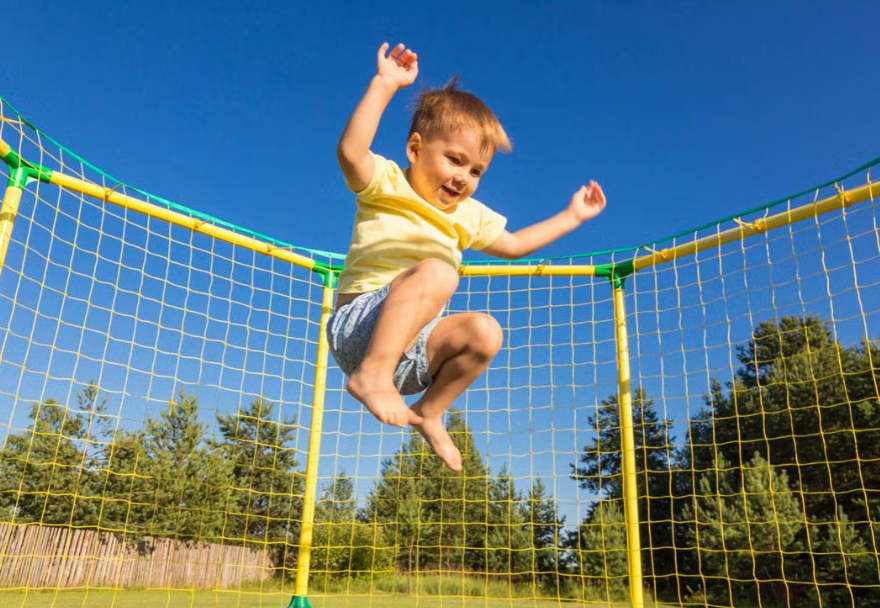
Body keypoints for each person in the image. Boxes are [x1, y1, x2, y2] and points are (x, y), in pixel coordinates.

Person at [329, 42, 606, 472]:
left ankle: (431, 411)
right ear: (416, 149)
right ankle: (372, 375)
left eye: (476, 171)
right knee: (441, 273)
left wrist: (572, 216)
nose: (463, 178)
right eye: (454, 161)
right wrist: (385, 85)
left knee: (486, 332)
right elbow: (350, 152)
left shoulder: (468, 215)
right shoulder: (386, 182)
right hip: (359, 329)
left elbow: (514, 245)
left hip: (416, 352)